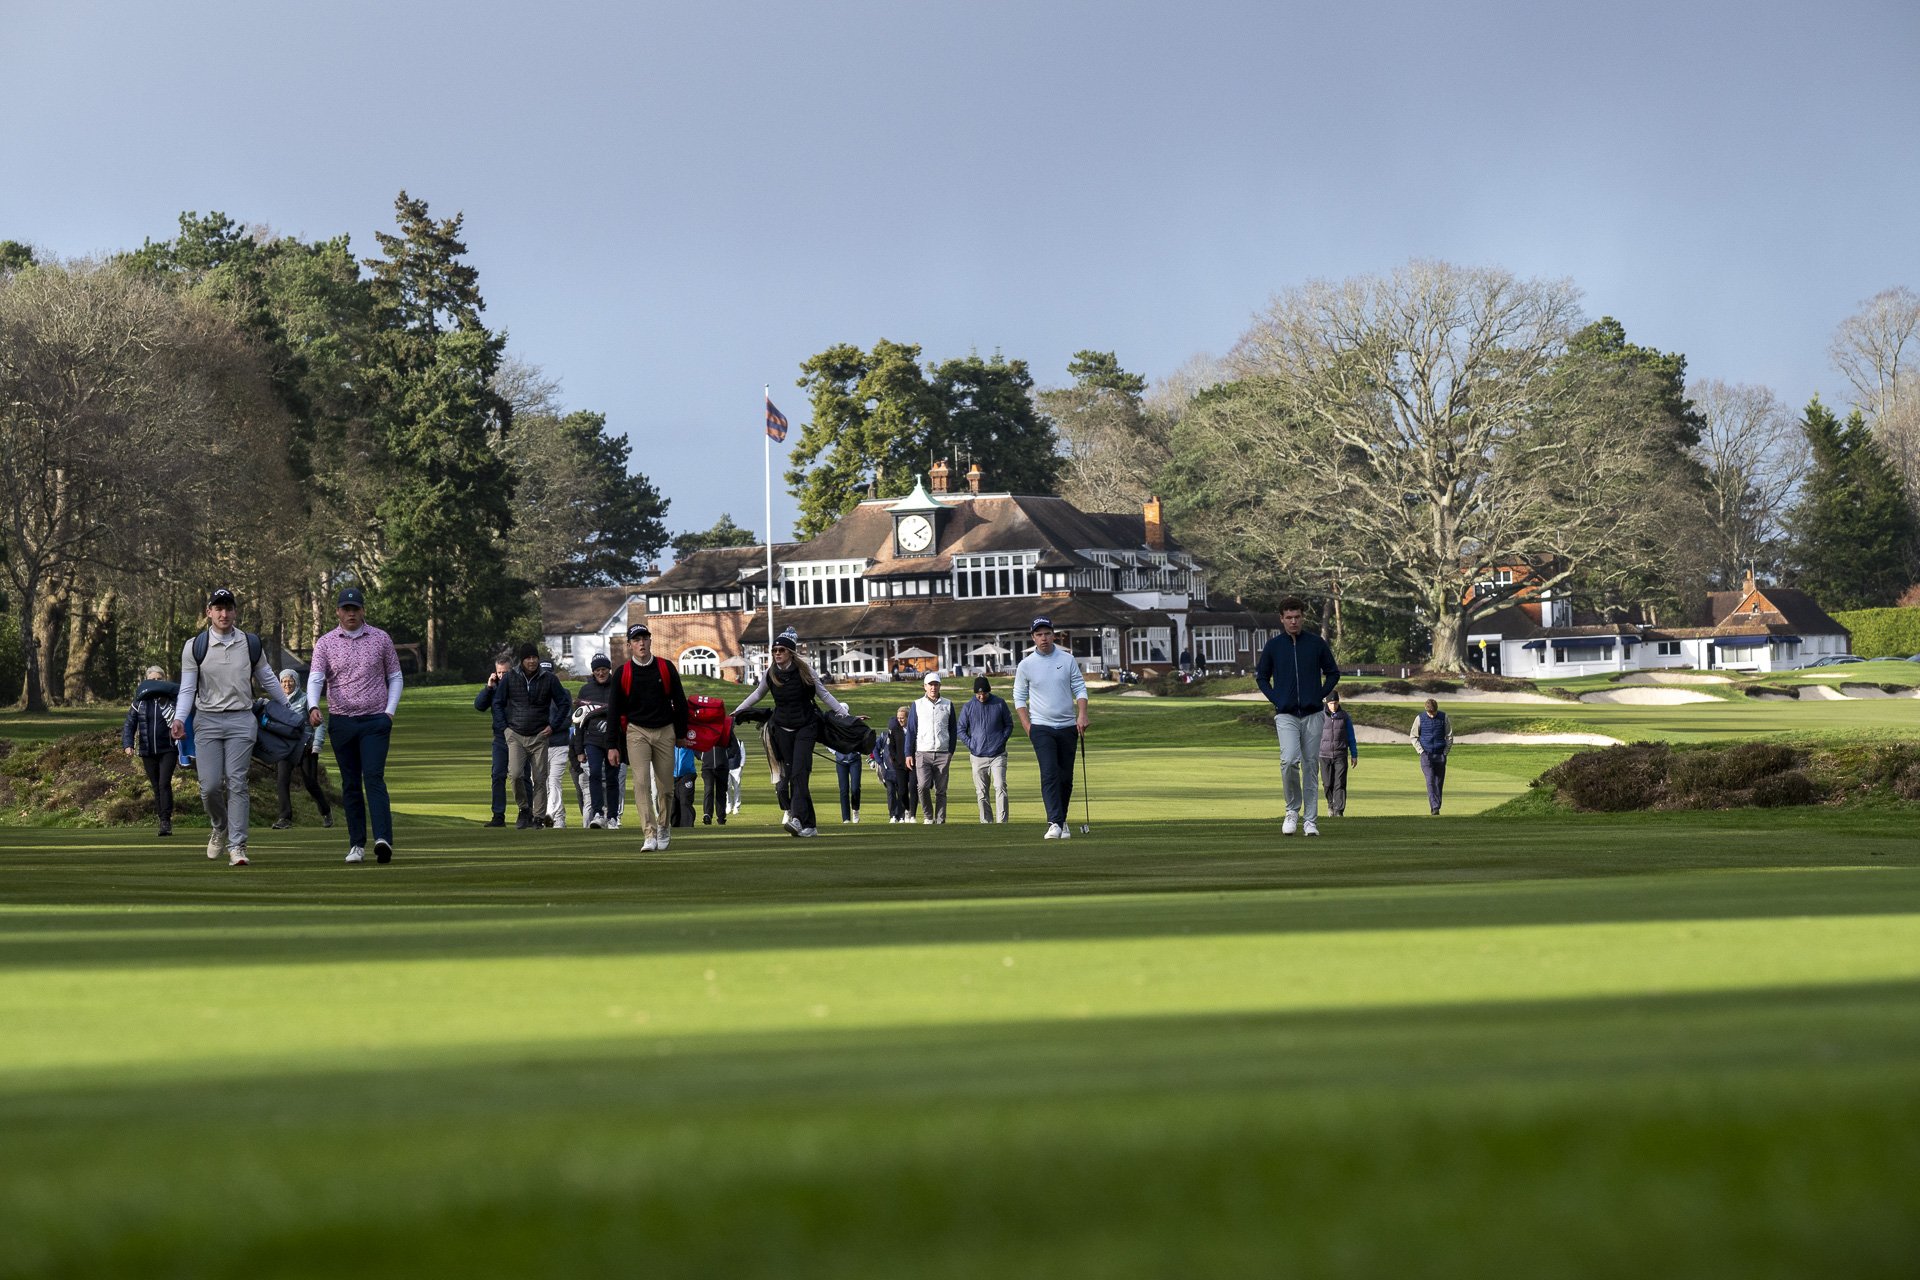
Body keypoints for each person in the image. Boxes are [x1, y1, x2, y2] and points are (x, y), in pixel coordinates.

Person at [170, 588, 291, 867]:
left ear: (236, 612)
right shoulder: (194, 646)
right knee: (210, 786)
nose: (223, 614)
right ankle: (220, 826)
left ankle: (238, 845)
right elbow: (188, 689)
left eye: (228, 608)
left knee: (237, 782)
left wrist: (288, 708)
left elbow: (268, 678)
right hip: (207, 721)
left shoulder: (250, 644)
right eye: (218, 608)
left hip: (241, 719)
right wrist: (179, 718)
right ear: (208, 612)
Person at [306, 586, 405, 864]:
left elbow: (395, 676)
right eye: (346, 609)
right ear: (338, 612)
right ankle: (356, 844)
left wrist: (389, 712)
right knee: (350, 784)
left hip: (375, 720)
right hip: (342, 722)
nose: (351, 613)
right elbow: (315, 678)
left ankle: (383, 839)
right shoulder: (325, 643)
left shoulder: (380, 638)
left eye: (355, 609)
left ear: (363, 611)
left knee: (373, 777)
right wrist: (313, 706)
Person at [731, 627, 851, 838]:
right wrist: (737, 711)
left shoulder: (805, 671)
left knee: (799, 774)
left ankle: (796, 819)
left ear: (791, 652)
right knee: (794, 778)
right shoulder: (771, 673)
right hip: (782, 730)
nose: (777, 653)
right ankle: (810, 826)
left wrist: (845, 715)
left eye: (781, 650)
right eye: (774, 650)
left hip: (806, 727)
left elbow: (825, 695)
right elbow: (757, 694)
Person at [1254, 595, 1341, 838]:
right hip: (1286, 714)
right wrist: (1277, 699)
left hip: (1313, 713)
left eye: (1297, 617)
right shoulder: (1274, 646)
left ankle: (1310, 821)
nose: (1294, 621)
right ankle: (1292, 811)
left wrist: (1319, 694)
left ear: (1303, 617)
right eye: (1289, 617)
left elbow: (1333, 673)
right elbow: (1262, 677)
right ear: (1281, 619)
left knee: (1311, 766)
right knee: (1290, 761)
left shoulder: (1316, 644)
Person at [607, 622, 692, 851]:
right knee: (642, 783)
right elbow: (613, 712)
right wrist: (612, 746)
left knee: (665, 788)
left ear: (650, 641)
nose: (641, 643)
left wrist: (682, 734)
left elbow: (680, 702)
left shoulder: (665, 667)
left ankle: (664, 826)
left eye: (644, 638)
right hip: (637, 732)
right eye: (636, 640)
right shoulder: (622, 673)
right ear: (629, 645)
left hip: (665, 731)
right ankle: (649, 833)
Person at [1012, 617, 1089, 840]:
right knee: (1049, 773)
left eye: (1047, 633)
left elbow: (1080, 688)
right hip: (1041, 727)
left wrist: (1082, 715)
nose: (1043, 638)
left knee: (1065, 777)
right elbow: (1019, 697)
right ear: (1033, 637)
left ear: (1053, 635)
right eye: (1039, 634)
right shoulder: (1026, 665)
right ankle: (1054, 822)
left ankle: (1062, 820)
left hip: (1067, 726)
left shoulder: (1067, 659)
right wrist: (1028, 726)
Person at [498, 643, 560, 830]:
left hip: (540, 735)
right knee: (516, 775)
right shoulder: (510, 678)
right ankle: (524, 809)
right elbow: (498, 703)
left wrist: (553, 726)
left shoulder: (549, 679)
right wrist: (505, 729)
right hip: (515, 734)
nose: (532, 661)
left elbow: (564, 704)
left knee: (540, 778)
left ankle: (538, 817)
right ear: (522, 660)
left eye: (534, 657)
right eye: (528, 658)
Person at [271, 669, 334, 831]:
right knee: (282, 781)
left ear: (296, 682)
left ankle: (326, 812)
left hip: (306, 747)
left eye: (290, 680)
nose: (287, 684)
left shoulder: (306, 699)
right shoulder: (277, 702)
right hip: (286, 748)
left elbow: (320, 723)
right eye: (283, 681)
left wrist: (317, 744)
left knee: (310, 783)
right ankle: (285, 818)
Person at [122, 665, 179, 837]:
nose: (156, 682)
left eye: (159, 679)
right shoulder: (139, 702)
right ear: (146, 681)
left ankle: (166, 821)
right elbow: (130, 723)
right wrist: (128, 744)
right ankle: (161, 819)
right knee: (156, 786)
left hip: (168, 748)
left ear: (164, 680)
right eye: (152, 679)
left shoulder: (171, 700)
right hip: (147, 749)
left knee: (164, 784)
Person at [573, 655, 621, 829]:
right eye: (597, 670)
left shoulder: (618, 687)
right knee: (594, 774)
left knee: (612, 777)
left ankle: (613, 817)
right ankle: (598, 813)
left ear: (609, 670)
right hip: (591, 740)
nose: (601, 673)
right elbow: (578, 722)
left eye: (604, 670)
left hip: (614, 739)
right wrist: (579, 750)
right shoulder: (585, 691)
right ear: (593, 672)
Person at [958, 675, 1012, 823]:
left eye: (984, 693)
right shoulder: (968, 707)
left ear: (989, 691)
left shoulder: (999, 704)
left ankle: (1002, 822)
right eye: (978, 694)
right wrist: (971, 744)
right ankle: (986, 822)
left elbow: (1009, 725)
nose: (981, 696)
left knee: (1000, 786)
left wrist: (1001, 740)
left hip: (998, 754)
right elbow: (961, 729)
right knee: (981, 792)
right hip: (977, 755)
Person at [905, 673, 955, 824]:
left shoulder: (948, 704)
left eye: (936, 684)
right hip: (922, 752)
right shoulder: (917, 704)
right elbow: (911, 730)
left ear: (940, 686)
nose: (933, 687)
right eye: (930, 685)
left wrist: (950, 751)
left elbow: (953, 730)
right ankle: (928, 817)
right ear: (925, 687)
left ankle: (940, 819)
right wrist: (908, 753)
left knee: (941, 790)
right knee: (923, 786)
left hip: (942, 752)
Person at [473, 651, 513, 827]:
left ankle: (526, 813)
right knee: (497, 775)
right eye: (499, 672)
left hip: (519, 736)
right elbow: (479, 705)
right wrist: (488, 687)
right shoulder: (494, 687)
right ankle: (498, 816)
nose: (502, 675)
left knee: (521, 776)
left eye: (505, 672)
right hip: (499, 738)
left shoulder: (518, 686)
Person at [541, 664, 573, 828]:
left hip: (559, 745)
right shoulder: (535, 694)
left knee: (554, 782)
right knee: (543, 784)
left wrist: (551, 727)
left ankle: (550, 814)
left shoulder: (564, 694)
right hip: (539, 746)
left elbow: (568, 719)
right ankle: (559, 818)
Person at [1318, 690, 1359, 818]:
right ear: (1327, 703)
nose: (1333, 706)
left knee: (1340, 783)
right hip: (1324, 755)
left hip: (1340, 754)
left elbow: (1351, 736)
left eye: (1335, 703)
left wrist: (1354, 754)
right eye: (1331, 703)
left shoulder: (1344, 716)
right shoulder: (1320, 716)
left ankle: (1339, 810)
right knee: (1327, 783)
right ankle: (1330, 804)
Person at [1411, 697, 1454, 815]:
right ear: (1426, 711)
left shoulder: (1443, 717)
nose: (1432, 715)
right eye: (1429, 713)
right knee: (1430, 780)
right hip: (1426, 755)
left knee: (1438, 782)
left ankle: (1436, 806)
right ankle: (1435, 807)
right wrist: (1421, 752)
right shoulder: (1419, 718)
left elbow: (1449, 736)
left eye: (1433, 713)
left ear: (1436, 710)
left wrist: (1445, 752)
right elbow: (1414, 737)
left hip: (1440, 755)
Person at [701, 726, 738, 825]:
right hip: (707, 766)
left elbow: (734, 746)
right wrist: (702, 755)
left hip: (722, 766)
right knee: (708, 789)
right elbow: (696, 744)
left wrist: (726, 755)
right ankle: (707, 815)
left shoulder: (725, 729)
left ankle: (721, 817)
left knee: (721, 792)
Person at [883, 705, 914, 822]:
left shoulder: (913, 729)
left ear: (908, 717)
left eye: (902, 717)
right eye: (898, 718)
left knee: (913, 788)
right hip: (900, 766)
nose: (900, 720)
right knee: (902, 791)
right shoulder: (894, 730)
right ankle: (907, 809)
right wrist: (896, 761)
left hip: (913, 765)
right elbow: (891, 748)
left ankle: (912, 814)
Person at [833, 745, 863, 824]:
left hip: (855, 760)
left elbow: (863, 738)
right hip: (840, 762)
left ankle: (855, 810)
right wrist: (835, 752)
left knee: (855, 788)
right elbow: (828, 739)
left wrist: (859, 751)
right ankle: (846, 818)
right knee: (843, 790)